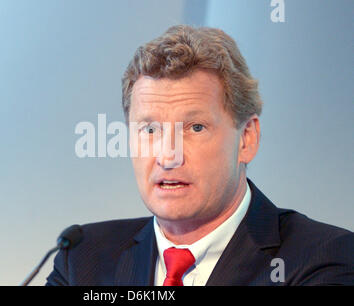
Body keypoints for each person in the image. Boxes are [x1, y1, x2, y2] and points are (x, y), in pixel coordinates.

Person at [46, 25, 353, 286]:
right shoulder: (83, 258)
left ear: (247, 138)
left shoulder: (322, 258)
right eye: (150, 130)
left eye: (194, 127)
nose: (168, 156)